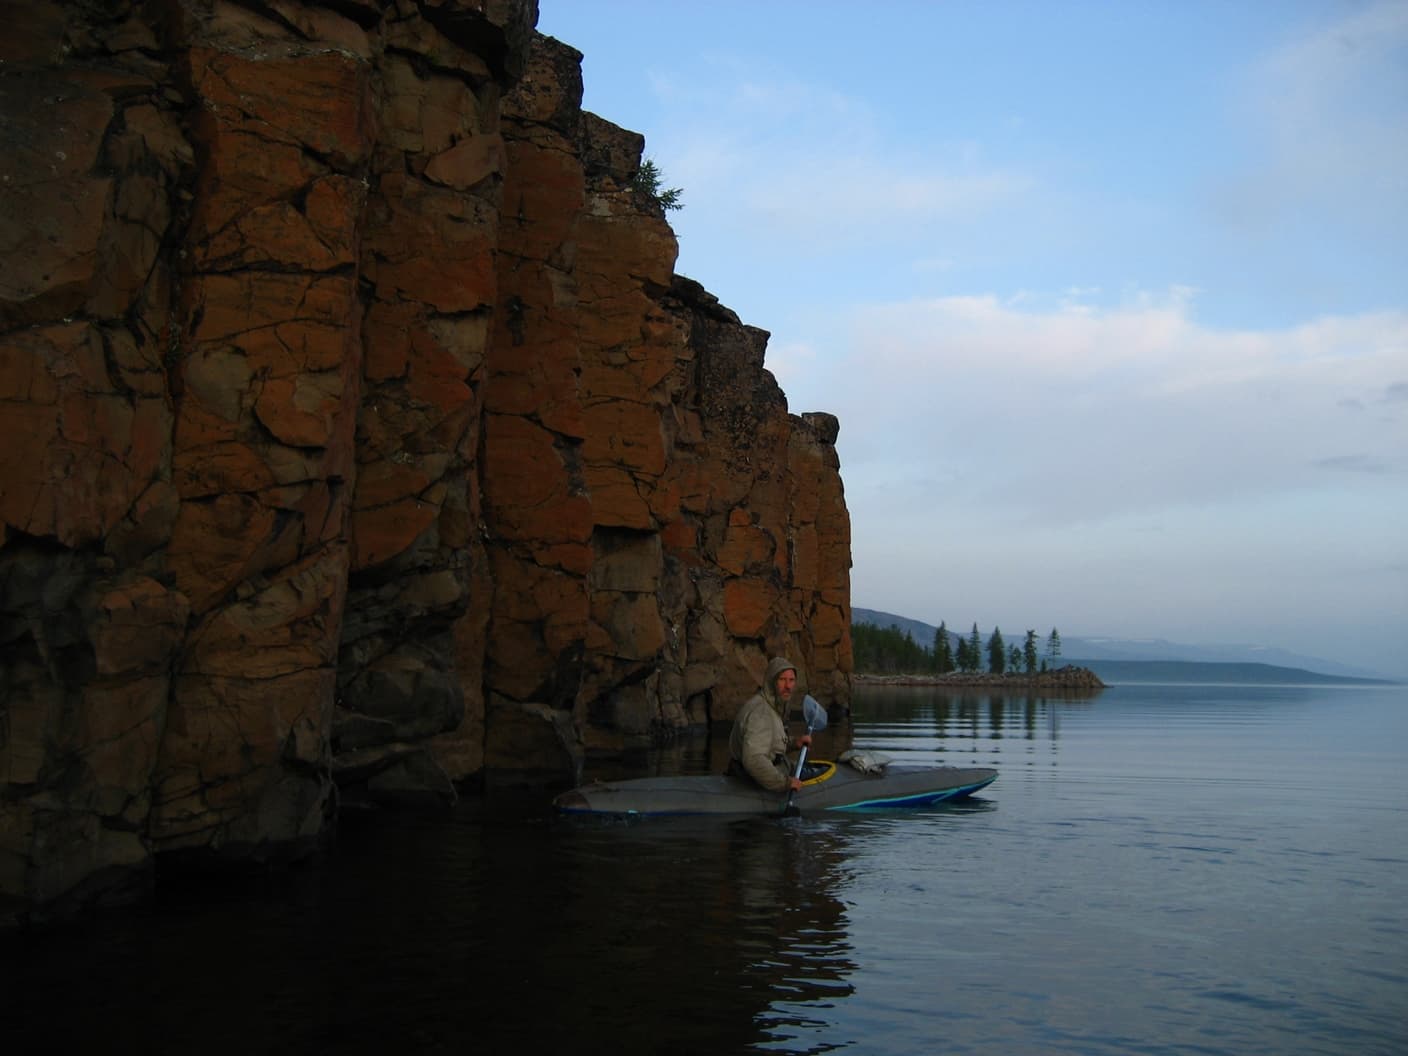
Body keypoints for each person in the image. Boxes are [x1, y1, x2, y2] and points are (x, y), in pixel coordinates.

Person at [729, 656, 813, 792]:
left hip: (771, 769)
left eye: (791, 680)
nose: (788, 686)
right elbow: (754, 759)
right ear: (771, 682)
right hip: (751, 780)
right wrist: (785, 783)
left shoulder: (770, 706)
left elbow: (769, 744)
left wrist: (793, 744)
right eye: (782, 680)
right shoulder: (761, 713)